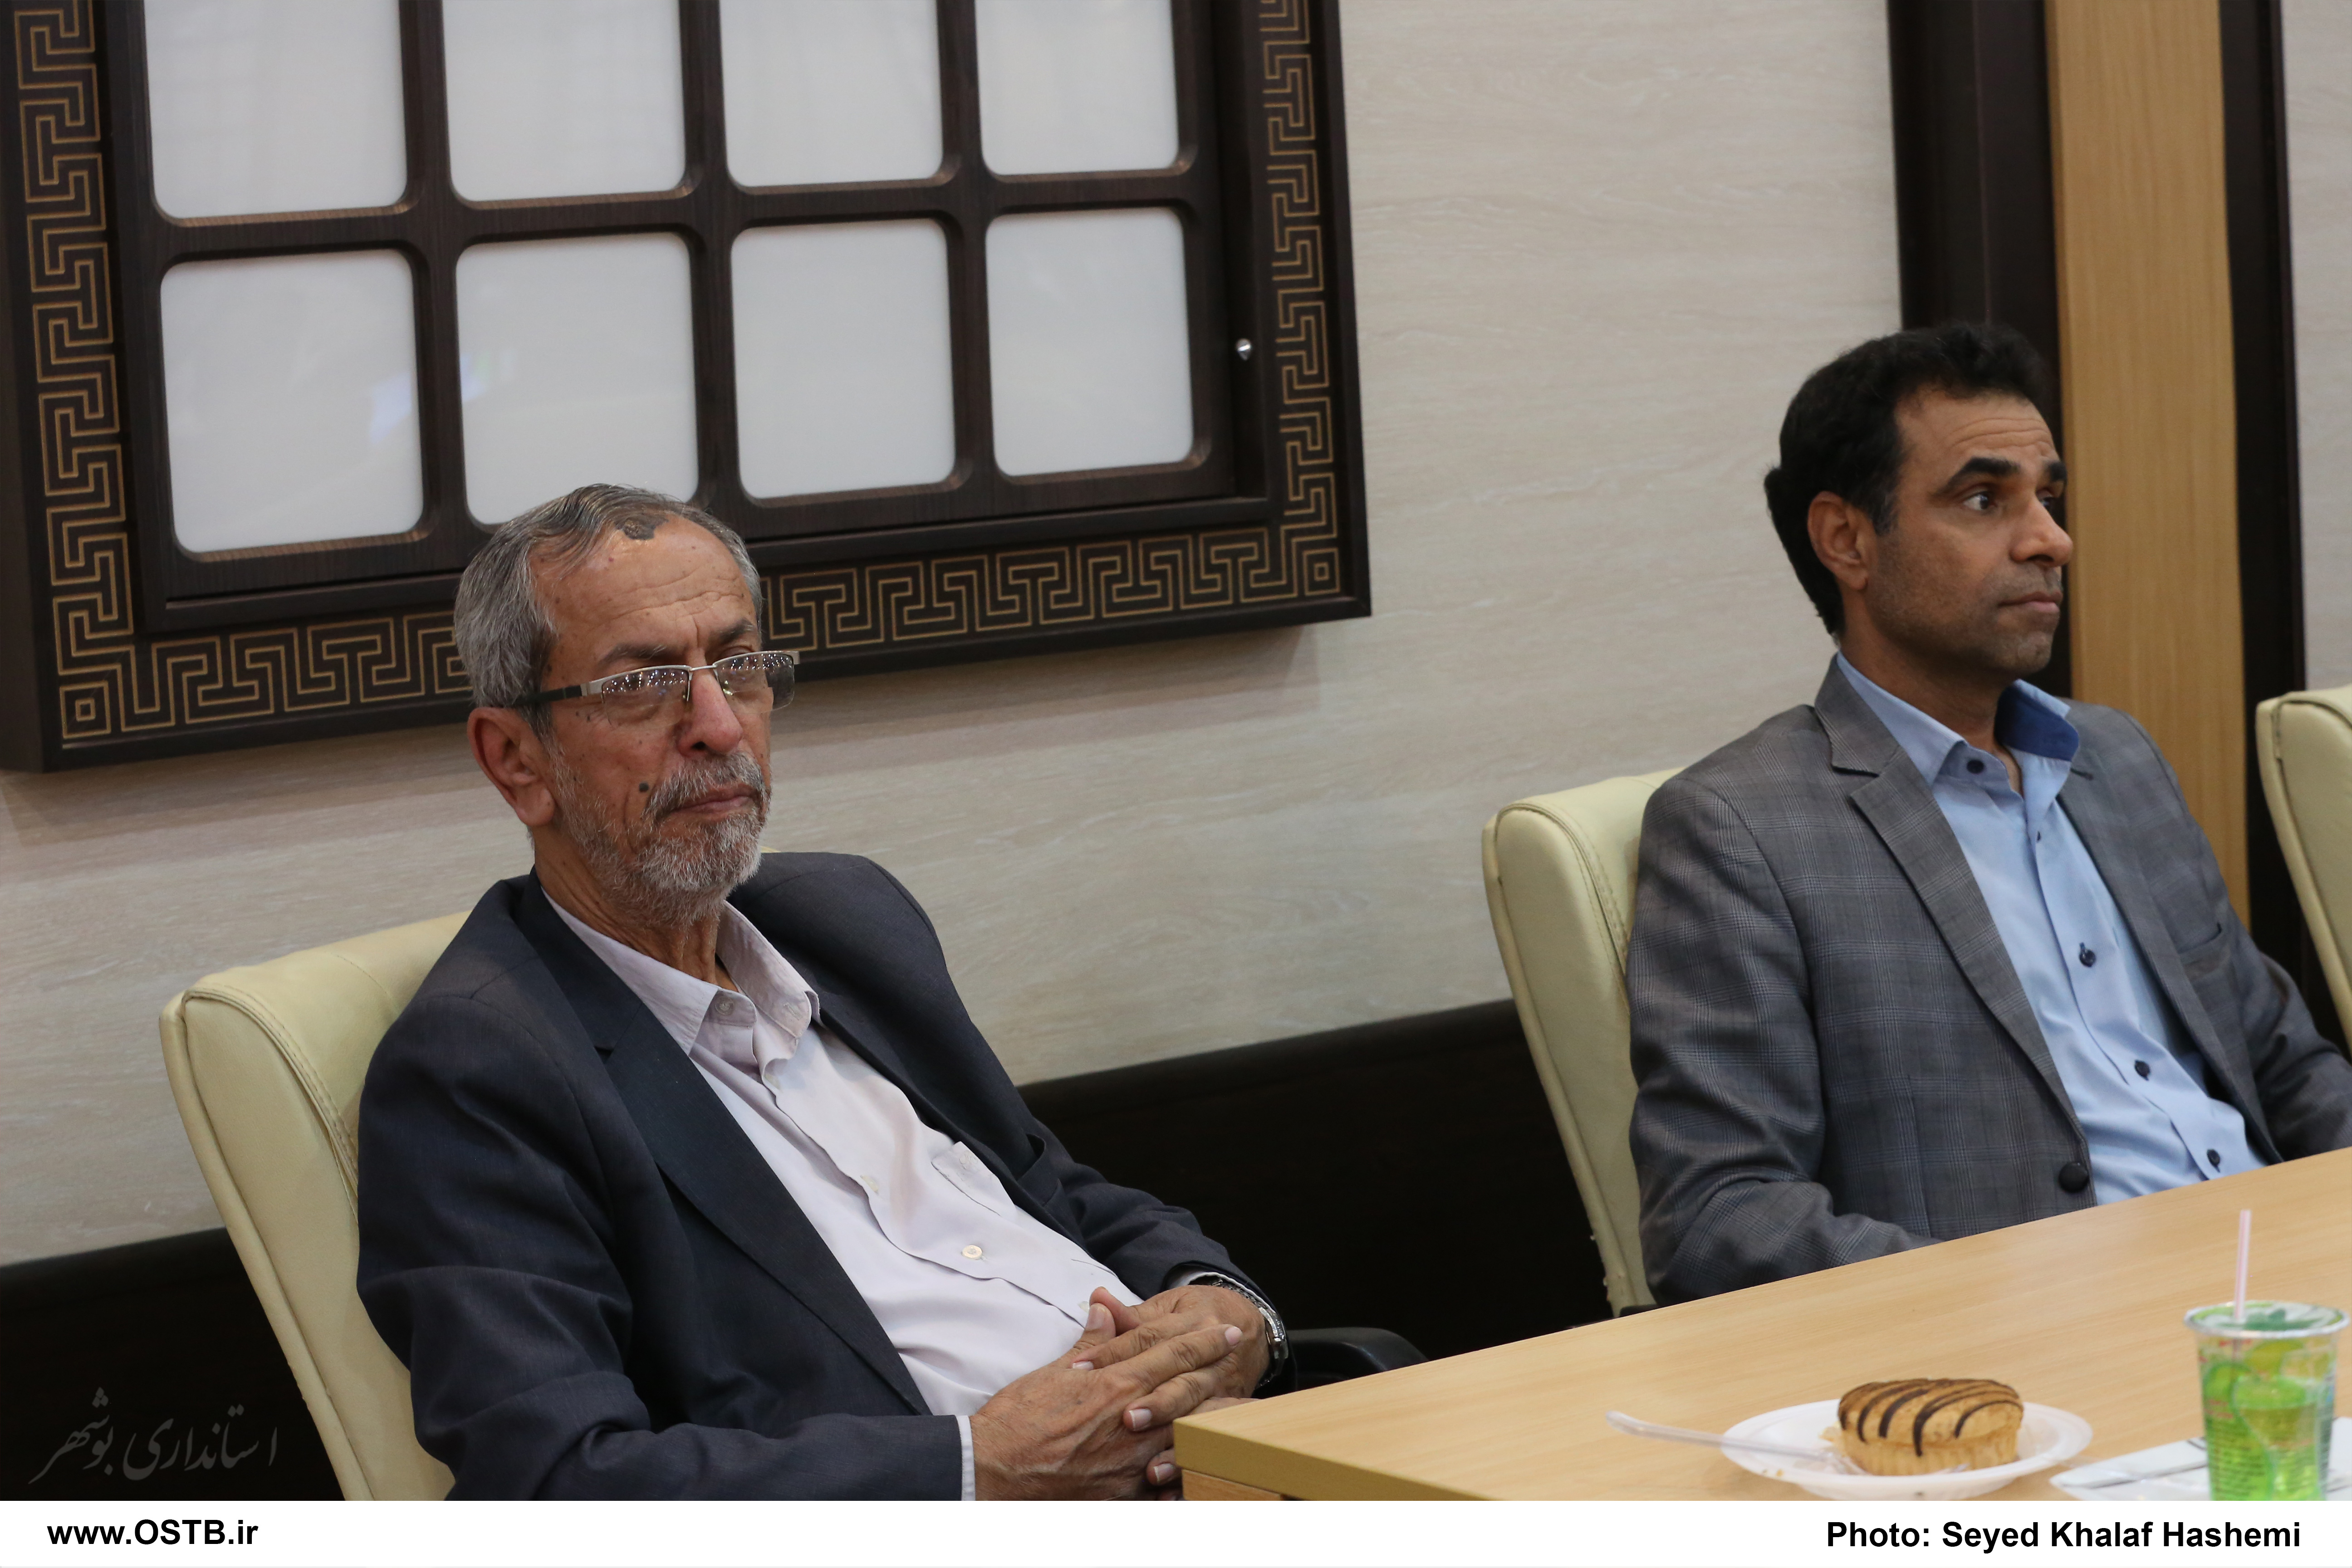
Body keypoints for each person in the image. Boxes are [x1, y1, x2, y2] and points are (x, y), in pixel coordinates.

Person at [357, 485, 1285, 1499]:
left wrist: (1222, 1307)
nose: (719, 725)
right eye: (646, 686)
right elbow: (556, 1480)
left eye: (739, 666)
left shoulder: (848, 920)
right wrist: (979, 1469)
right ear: (516, 760)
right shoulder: (478, 1067)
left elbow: (1050, 1189)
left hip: (1224, 1459)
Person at [1627, 323, 2352, 1304]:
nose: (2051, 540)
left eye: (2049, 498)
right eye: (1984, 500)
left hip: (2284, 1295)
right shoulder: (1740, 829)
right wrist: (2023, 1294)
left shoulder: (2117, 759)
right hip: (2050, 1336)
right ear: (1847, 540)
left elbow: (2284, 1066)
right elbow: (1719, 1217)